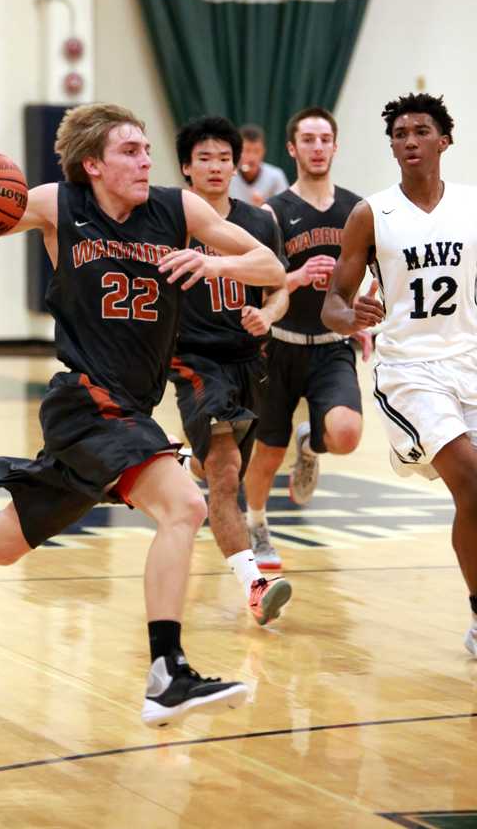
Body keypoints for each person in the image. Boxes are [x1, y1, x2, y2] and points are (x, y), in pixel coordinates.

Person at [0, 102, 286, 728]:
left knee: (0, 543)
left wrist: (215, 262)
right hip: (88, 401)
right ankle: (166, 672)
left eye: (147, 149)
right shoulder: (58, 205)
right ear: (92, 163)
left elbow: (270, 265)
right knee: (186, 506)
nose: (145, 159)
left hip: (125, 409)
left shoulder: (179, 210)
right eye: (129, 151)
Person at [322, 93, 477, 658]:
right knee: (472, 481)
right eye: (400, 133)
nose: (409, 140)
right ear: (391, 146)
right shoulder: (372, 213)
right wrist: (351, 315)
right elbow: (333, 303)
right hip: (409, 370)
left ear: (444, 140)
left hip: (469, 362)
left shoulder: (471, 205)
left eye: (420, 131)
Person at [170, 116, 292, 615]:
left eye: (225, 158)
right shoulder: (166, 222)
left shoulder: (259, 220)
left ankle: (179, 463)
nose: (218, 167)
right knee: (224, 474)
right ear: (186, 167)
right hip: (194, 359)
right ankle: (254, 586)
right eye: (206, 158)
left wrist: (266, 314)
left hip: (249, 359)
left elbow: (279, 287)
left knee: (222, 465)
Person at [242, 107, 369, 570]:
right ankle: (257, 525)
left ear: (336, 146)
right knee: (267, 452)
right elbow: (256, 282)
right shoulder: (272, 214)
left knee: (347, 434)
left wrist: (362, 318)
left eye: (325, 139)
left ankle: (312, 447)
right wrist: (295, 278)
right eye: (308, 140)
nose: (318, 147)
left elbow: (368, 274)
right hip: (277, 346)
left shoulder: (358, 210)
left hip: (333, 346)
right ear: (293, 149)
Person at [229, 124, 289, 206]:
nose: (252, 157)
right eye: (247, 150)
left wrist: (266, 206)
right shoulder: (228, 176)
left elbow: (286, 209)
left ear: (264, 151)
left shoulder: (276, 176)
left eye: (257, 151)